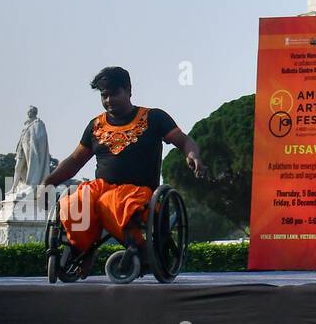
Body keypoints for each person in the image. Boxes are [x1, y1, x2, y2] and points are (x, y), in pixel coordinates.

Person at [42, 67, 204, 275]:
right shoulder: (95, 126)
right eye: (104, 95)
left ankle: (140, 248)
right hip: (101, 188)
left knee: (111, 201)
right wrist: (49, 180)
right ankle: (83, 250)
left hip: (140, 193)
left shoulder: (153, 118)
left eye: (114, 94)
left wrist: (193, 156)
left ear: (128, 90)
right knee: (75, 201)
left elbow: (183, 140)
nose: (109, 100)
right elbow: (75, 160)